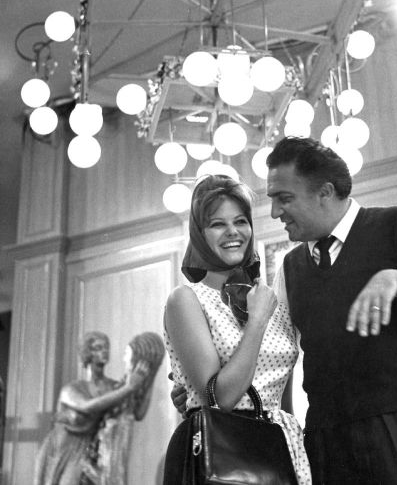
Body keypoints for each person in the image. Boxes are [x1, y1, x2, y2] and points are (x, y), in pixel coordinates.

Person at [264, 136, 397, 485]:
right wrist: (201, 390)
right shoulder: (288, 269)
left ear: (325, 192)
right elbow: (272, 362)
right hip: (329, 445)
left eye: (284, 198)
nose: (275, 212)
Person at [163, 173, 311, 484]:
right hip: (222, 451)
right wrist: (256, 321)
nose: (233, 232)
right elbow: (221, 398)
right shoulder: (186, 299)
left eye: (241, 221)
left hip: (281, 447)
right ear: (199, 234)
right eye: (218, 224)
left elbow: (280, 397)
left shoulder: (270, 301)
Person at [34, 331, 150, 485]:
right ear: (87, 353)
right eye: (98, 347)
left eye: (106, 347)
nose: (105, 351)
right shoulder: (72, 389)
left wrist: (148, 379)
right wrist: (128, 388)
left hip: (92, 450)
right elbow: (88, 406)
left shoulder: (113, 387)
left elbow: (137, 413)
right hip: (63, 449)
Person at [82, 331, 165, 484]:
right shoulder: (117, 389)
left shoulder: (126, 393)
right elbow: (90, 409)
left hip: (115, 457)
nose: (124, 359)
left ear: (137, 360)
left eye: (127, 354)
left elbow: (139, 413)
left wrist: (149, 376)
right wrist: (130, 387)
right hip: (98, 458)